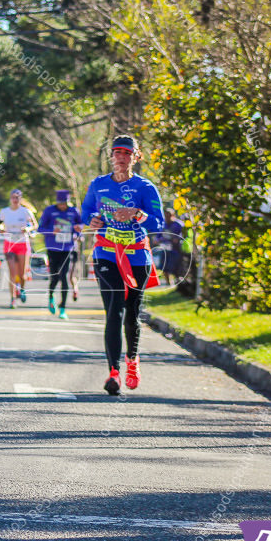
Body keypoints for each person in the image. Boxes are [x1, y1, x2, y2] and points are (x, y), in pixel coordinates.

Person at [81, 135, 164, 396]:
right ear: (111, 156)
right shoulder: (98, 185)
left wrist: (137, 214)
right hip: (106, 253)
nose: (121, 157)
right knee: (114, 309)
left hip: (136, 255)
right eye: (117, 152)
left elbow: (158, 223)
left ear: (136, 157)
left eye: (127, 153)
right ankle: (113, 372)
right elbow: (85, 213)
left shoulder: (145, 187)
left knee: (131, 312)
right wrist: (92, 220)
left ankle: (132, 360)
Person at [37, 189, 82, 319]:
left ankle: (63, 308)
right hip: (52, 248)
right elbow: (40, 228)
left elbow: (80, 226)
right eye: (61, 203)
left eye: (65, 203)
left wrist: (78, 233)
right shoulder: (49, 211)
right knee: (55, 277)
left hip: (67, 248)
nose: (63, 206)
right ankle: (51, 297)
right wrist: (52, 231)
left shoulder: (73, 211)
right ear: (57, 202)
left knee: (64, 277)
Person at [0, 189, 35, 307]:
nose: (15, 200)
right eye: (13, 197)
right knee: (12, 273)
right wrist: (1, 228)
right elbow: (0, 224)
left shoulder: (25, 212)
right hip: (9, 243)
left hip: (22, 243)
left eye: (17, 198)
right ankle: (12, 298)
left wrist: (27, 229)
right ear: (10, 198)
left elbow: (34, 224)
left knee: (22, 274)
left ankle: (22, 289)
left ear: (20, 199)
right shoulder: (4, 212)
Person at [160, 207, 184, 286]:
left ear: (173, 215)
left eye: (169, 216)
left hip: (175, 249)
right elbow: (159, 235)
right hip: (165, 248)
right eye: (165, 216)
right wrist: (158, 239)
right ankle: (168, 283)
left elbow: (183, 235)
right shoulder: (163, 224)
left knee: (175, 266)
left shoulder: (178, 224)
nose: (167, 218)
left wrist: (177, 239)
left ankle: (178, 282)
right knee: (164, 266)